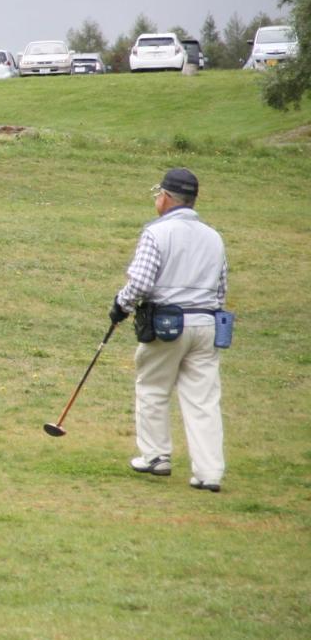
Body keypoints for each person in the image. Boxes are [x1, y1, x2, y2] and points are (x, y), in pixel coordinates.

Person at [109, 168, 228, 492]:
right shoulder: (214, 236)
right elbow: (221, 289)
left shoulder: (156, 233)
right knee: (203, 399)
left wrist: (121, 305)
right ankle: (209, 473)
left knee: (153, 387)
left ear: (167, 198)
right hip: (206, 323)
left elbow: (142, 283)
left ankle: (155, 456)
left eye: (158, 193)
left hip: (167, 324)